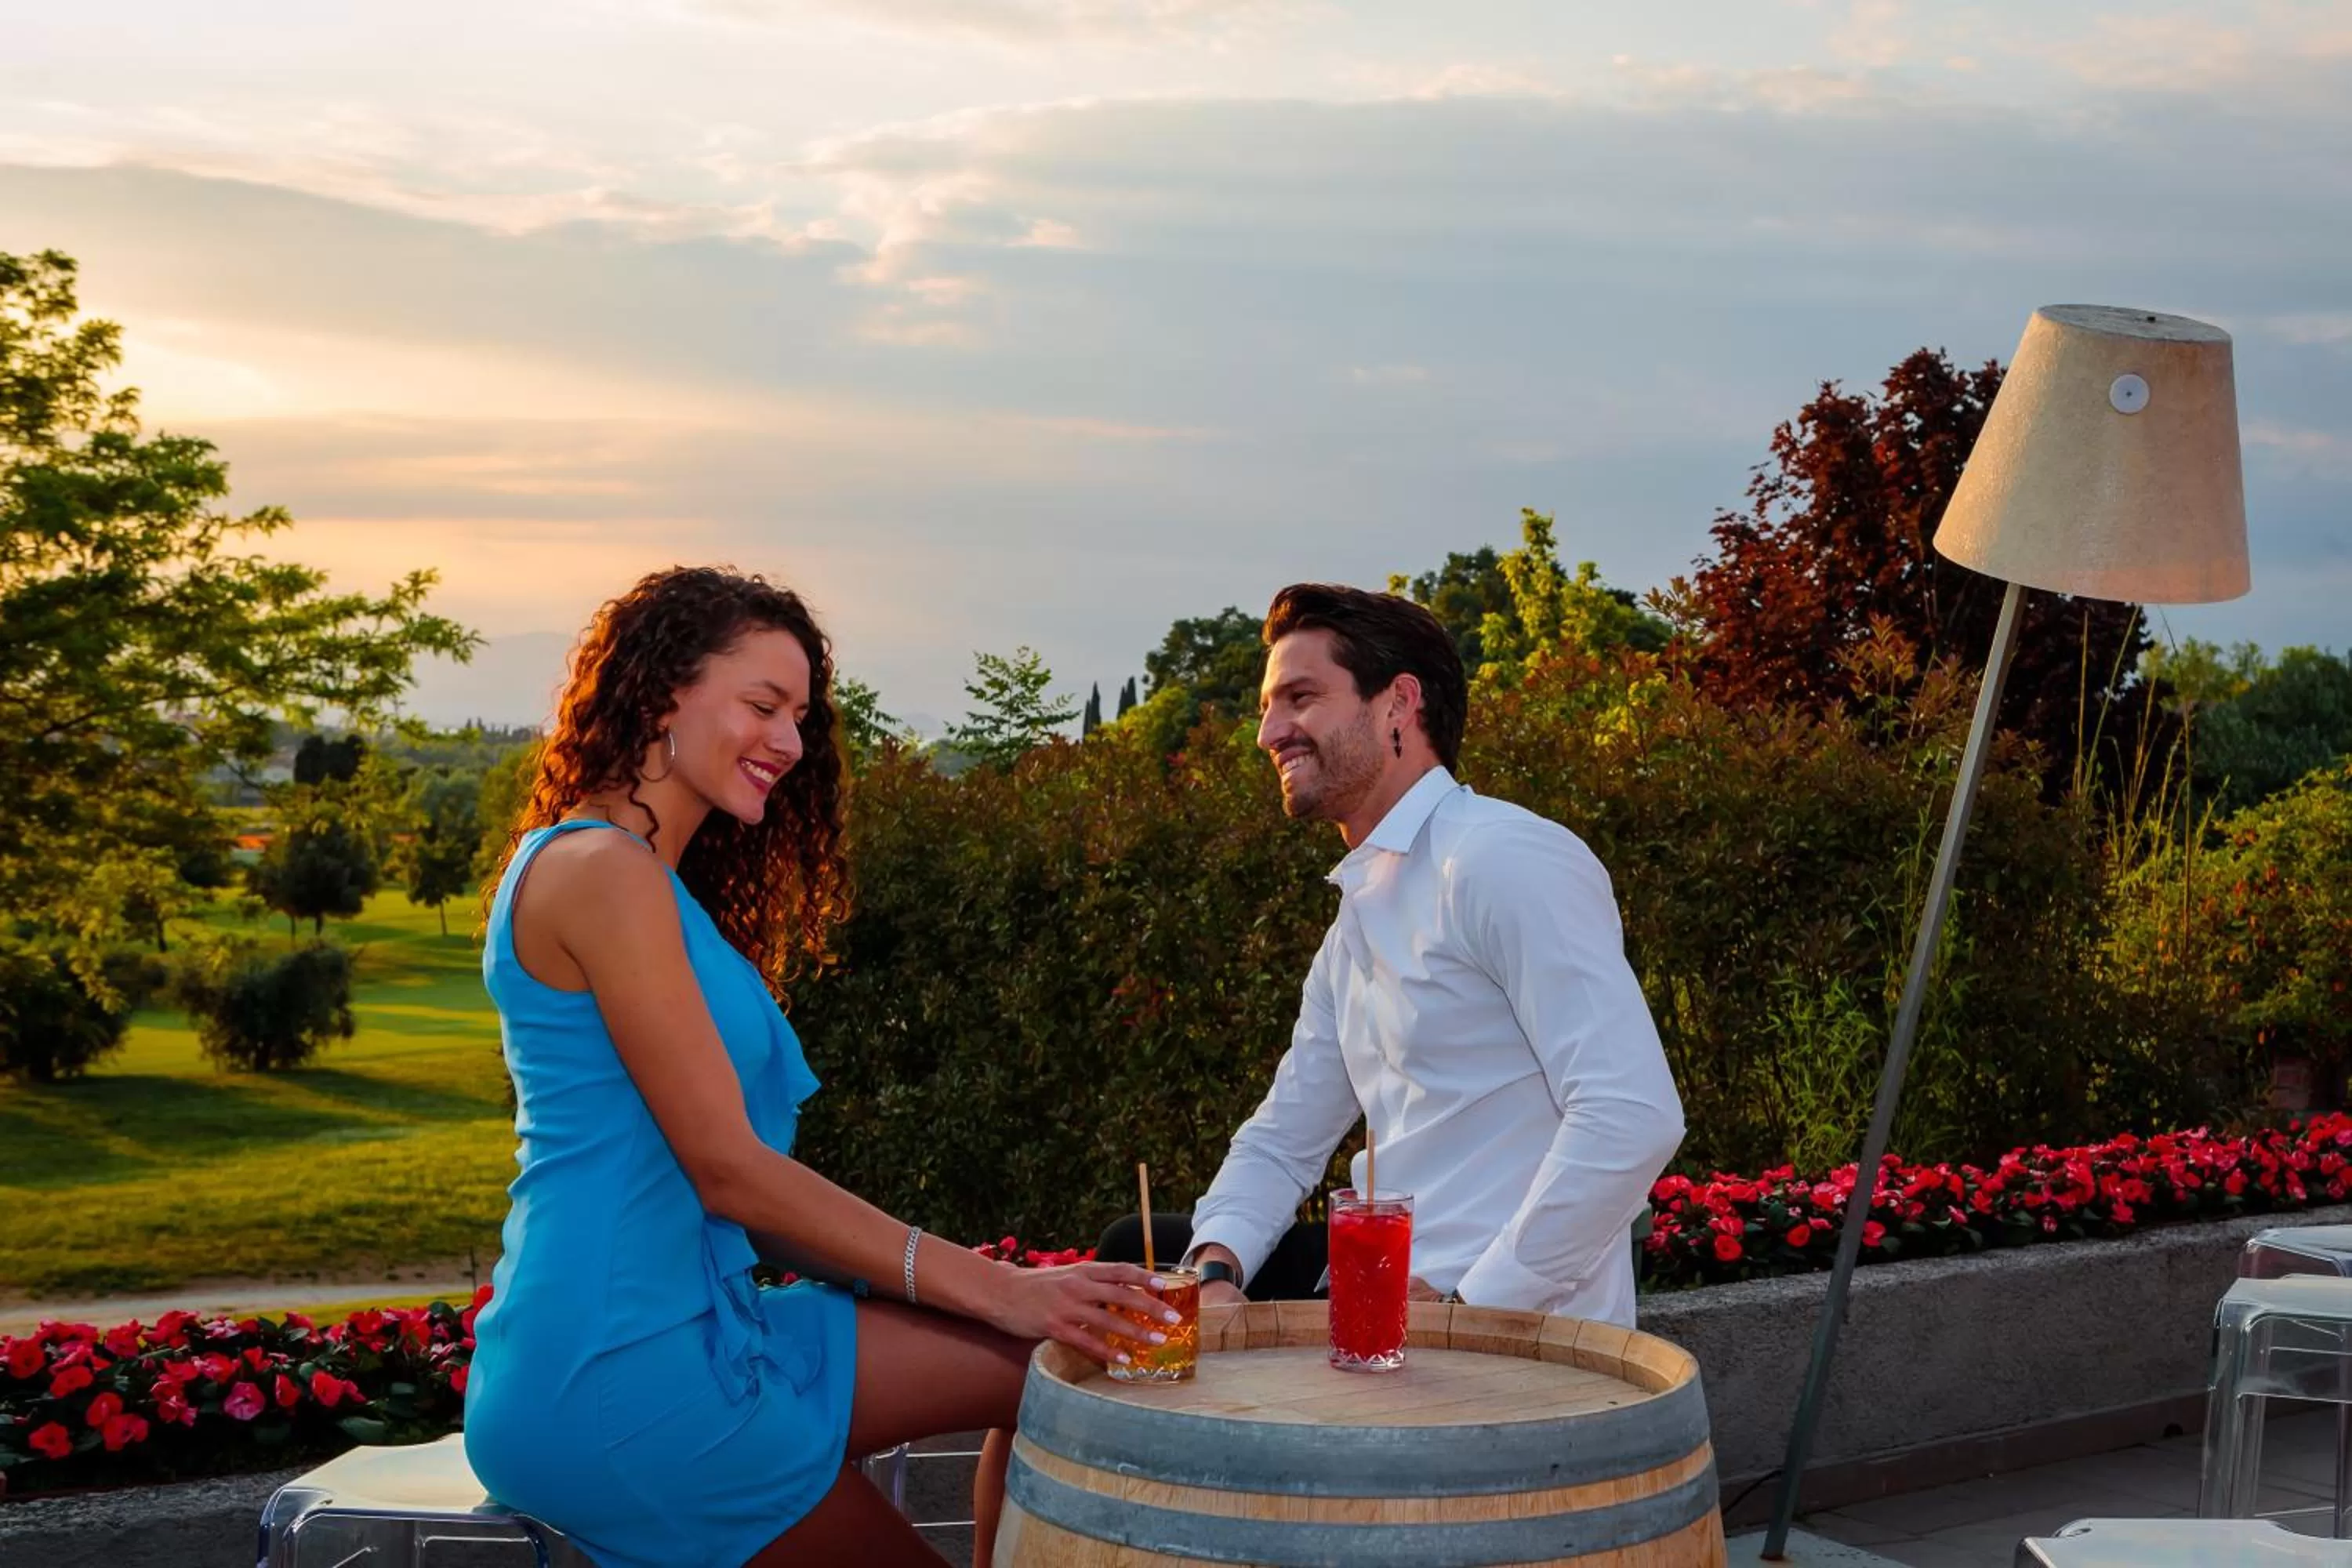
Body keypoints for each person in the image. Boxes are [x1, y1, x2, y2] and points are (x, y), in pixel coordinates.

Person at [463, 566, 1172, 1568]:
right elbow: (729, 1169)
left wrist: (1006, 1295)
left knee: (1056, 1359)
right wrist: (995, 1283)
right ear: (664, 689)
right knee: (1026, 1328)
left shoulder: (649, 884)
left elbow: (738, 1199)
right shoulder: (599, 873)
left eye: (800, 714)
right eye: (763, 705)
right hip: (616, 1369)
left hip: (720, 1321)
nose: (792, 743)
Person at [1102, 583, 1685, 1327]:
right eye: (1267, 709)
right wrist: (1215, 1269)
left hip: (1497, 1337)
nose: (1269, 733)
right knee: (1129, 1259)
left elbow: (1631, 1114)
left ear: (1398, 705)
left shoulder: (1500, 859)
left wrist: (1473, 1306)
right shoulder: (1358, 917)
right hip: (1380, 1300)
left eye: (1301, 698)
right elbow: (1285, 1139)